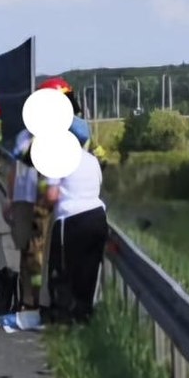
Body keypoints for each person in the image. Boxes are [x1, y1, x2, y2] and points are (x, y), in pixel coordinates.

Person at [41, 117, 109, 325]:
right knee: (89, 269)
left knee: (64, 268)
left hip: (71, 220)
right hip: (97, 217)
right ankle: (84, 315)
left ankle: (64, 315)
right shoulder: (92, 160)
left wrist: (44, 203)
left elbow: (52, 195)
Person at [7, 126, 45, 309]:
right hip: (21, 200)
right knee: (24, 250)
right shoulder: (22, 136)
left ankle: (40, 299)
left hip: (41, 201)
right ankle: (26, 300)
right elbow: (14, 168)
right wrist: (9, 198)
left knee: (37, 252)